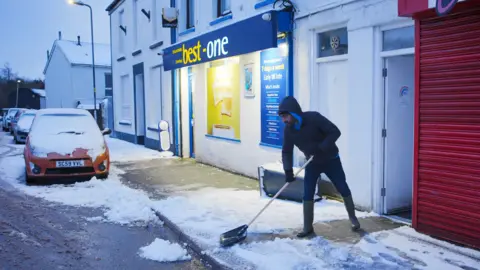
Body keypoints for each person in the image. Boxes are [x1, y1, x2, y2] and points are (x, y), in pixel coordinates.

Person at [278, 96, 360, 238]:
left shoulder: (314, 118)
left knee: (342, 187)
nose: (284, 120)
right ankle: (307, 227)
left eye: (285, 116)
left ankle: (353, 218)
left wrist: (323, 146)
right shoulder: (289, 130)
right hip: (312, 163)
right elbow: (286, 151)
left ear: (294, 112)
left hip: (331, 160)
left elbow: (335, 131)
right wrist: (288, 171)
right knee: (307, 193)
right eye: (282, 117)